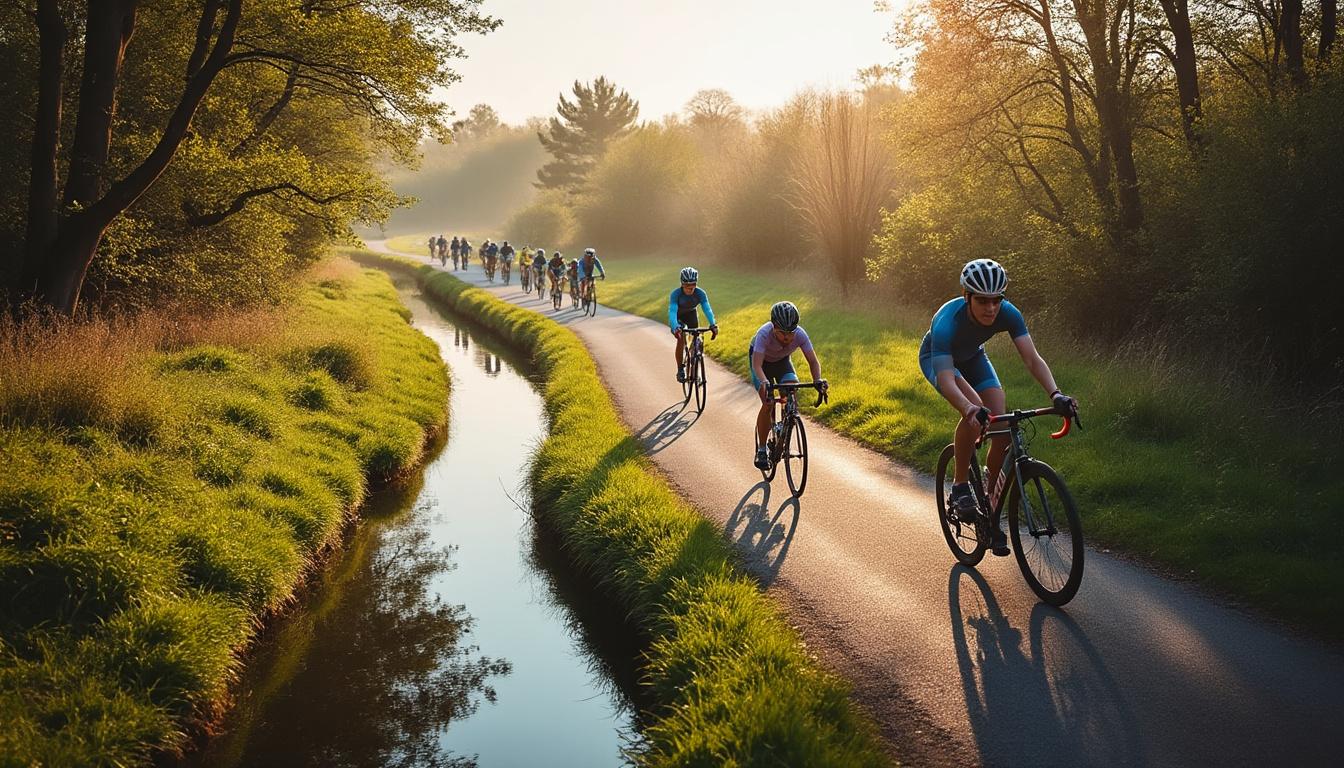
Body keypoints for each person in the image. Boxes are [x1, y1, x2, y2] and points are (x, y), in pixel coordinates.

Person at [918, 258, 1077, 556]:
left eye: (996, 300)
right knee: (978, 411)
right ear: (967, 297)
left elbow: (1032, 359)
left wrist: (1056, 394)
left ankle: (990, 501)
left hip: (974, 357)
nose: (991, 308)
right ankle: (961, 485)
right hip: (940, 361)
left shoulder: (1009, 314)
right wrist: (968, 408)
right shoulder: (946, 321)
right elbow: (947, 379)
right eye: (982, 301)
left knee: (1001, 424)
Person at [751, 301, 825, 470]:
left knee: (791, 387)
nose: (787, 337)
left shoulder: (800, 335)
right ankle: (762, 449)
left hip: (782, 362)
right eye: (782, 333)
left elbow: (813, 362)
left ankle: (785, 423)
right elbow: (756, 366)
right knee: (768, 402)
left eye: (790, 333)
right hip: (762, 365)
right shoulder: (764, 334)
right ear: (773, 327)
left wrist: (818, 380)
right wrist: (764, 382)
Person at [669, 267, 719, 382]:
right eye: (687, 286)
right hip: (678, 317)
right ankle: (680, 369)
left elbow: (707, 309)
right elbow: (672, 312)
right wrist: (675, 327)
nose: (691, 288)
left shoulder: (700, 293)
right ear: (682, 284)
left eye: (693, 285)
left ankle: (695, 363)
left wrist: (713, 324)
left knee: (698, 338)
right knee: (681, 339)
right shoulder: (676, 294)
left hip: (691, 315)